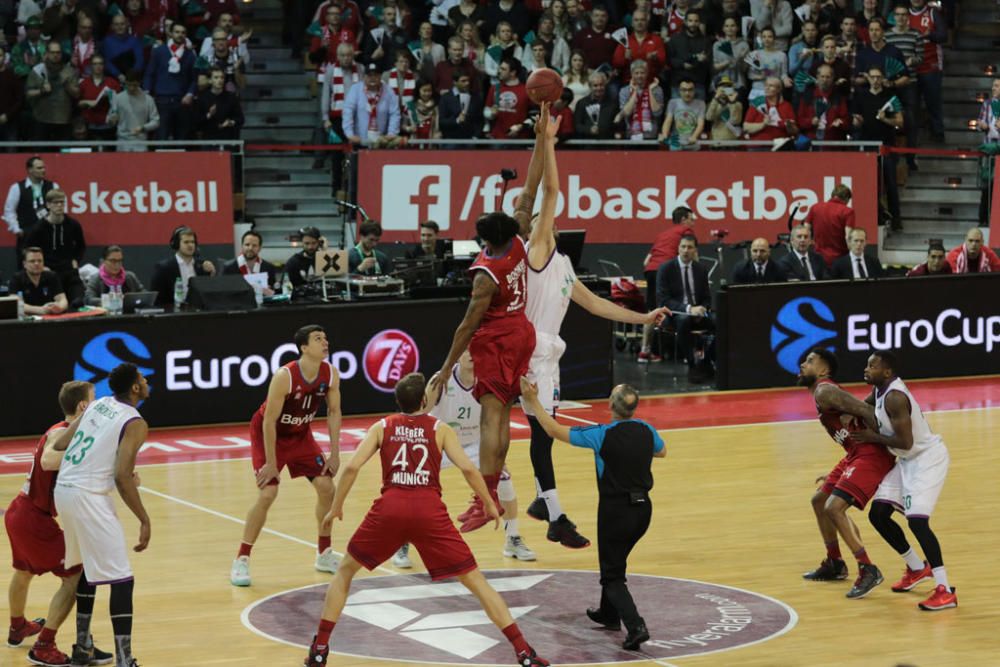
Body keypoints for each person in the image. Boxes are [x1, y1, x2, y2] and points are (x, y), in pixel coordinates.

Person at [303, 373, 549, 667]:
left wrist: (337, 507)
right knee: (476, 582)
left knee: (344, 572)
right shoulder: (440, 429)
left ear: (398, 402)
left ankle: (319, 649)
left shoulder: (382, 426)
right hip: (428, 510)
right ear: (424, 401)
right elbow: (470, 470)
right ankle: (523, 652)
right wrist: (488, 503)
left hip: (390, 508)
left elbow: (353, 466)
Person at [510, 108, 668, 550]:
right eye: (545, 219)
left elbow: (597, 305)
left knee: (544, 435)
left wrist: (643, 317)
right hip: (531, 351)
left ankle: (544, 501)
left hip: (548, 356)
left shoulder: (560, 263)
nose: (551, 221)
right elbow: (549, 190)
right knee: (543, 435)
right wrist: (549, 144)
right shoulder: (535, 250)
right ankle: (555, 515)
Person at [428, 109, 553, 529]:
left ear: (486, 239)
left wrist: (446, 369)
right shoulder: (518, 236)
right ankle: (491, 493)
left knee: (491, 421)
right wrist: (541, 139)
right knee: (499, 419)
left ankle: (485, 499)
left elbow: (466, 326)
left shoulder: (485, 276)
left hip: (497, 339)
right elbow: (531, 187)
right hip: (522, 333)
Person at [520, 377, 664, 651]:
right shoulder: (647, 430)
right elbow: (662, 451)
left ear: (611, 405)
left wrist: (532, 401)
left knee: (612, 576)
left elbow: (552, 430)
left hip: (615, 512)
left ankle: (636, 626)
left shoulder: (601, 435)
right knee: (615, 560)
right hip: (644, 511)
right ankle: (608, 614)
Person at [50, 363, 153, 667]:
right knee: (121, 579)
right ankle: (124, 660)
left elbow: (62, 442)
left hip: (64, 491)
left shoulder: (100, 404)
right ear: (135, 388)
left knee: (89, 569)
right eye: (143, 379)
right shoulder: (135, 422)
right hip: (87, 497)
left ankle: (83, 647)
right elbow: (122, 477)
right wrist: (144, 519)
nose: (146, 382)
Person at [4, 381, 114, 667]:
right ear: (82, 407)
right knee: (75, 579)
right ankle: (44, 645)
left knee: (23, 571)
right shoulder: (63, 432)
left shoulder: (62, 429)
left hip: (20, 511)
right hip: (33, 518)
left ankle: (18, 627)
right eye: (94, 400)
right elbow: (50, 461)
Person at [231, 325, 342, 587]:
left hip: (300, 435)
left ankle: (324, 553)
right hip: (270, 434)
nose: (325, 342)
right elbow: (269, 421)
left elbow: (334, 412)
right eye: (318, 339)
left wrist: (335, 453)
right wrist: (271, 463)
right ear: (304, 348)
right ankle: (242, 559)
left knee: (327, 487)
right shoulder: (285, 376)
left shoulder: (331, 373)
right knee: (268, 493)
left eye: (325, 338)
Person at [857, 352, 956, 611]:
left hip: (926, 459)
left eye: (872, 365)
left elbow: (906, 442)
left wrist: (872, 436)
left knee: (918, 522)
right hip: (907, 461)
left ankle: (945, 589)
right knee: (878, 514)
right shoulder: (879, 391)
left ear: (887, 372)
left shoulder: (895, 396)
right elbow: (859, 406)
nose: (866, 369)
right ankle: (916, 568)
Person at [797, 348, 895, 599]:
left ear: (823, 370)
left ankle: (868, 568)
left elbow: (866, 411)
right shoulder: (823, 393)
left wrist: (881, 441)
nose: (802, 364)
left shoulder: (824, 390)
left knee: (833, 507)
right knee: (819, 500)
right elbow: (860, 408)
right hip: (854, 453)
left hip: (870, 454)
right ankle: (835, 563)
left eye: (809, 361)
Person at [432, 351, 537, 561]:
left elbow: (496, 420)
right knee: (415, 483)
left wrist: (497, 454)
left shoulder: (489, 380)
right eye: (466, 350)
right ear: (457, 355)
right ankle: (404, 542)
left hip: (475, 444)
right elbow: (422, 409)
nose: (471, 354)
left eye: (475, 349)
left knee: (504, 479)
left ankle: (512, 538)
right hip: (442, 442)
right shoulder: (441, 379)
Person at [640, 206, 697, 363]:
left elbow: (646, 261)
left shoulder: (662, 235)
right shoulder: (686, 232)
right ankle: (688, 353)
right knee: (685, 305)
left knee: (652, 310)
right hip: (666, 271)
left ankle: (644, 352)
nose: (693, 223)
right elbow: (693, 258)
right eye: (692, 219)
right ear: (684, 219)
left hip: (651, 270)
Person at [656, 235, 714, 383]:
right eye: (683, 247)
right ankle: (692, 364)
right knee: (684, 320)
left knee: (720, 321)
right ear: (678, 248)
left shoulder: (701, 269)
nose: (686, 250)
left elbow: (707, 297)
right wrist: (689, 309)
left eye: (689, 247)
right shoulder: (666, 268)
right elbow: (664, 300)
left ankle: (706, 361)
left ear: (695, 250)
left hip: (698, 313)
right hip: (675, 314)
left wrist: (703, 309)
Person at [25, 189, 86, 309]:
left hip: (69, 270)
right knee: (54, 305)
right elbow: (28, 249)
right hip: (48, 271)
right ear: (48, 205)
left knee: (78, 302)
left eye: (62, 202)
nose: (59, 205)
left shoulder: (73, 224)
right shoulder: (38, 228)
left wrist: (76, 261)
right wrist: (41, 266)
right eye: (55, 203)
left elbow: (81, 245)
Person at [3, 156, 58, 272]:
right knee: (26, 271)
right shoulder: (17, 188)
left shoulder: (53, 186)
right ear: (30, 170)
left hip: (48, 236)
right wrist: (16, 229)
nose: (43, 170)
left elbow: (60, 208)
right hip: (26, 237)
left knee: (51, 271)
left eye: (43, 167)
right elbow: (9, 211)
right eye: (39, 168)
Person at [144, 22, 197, 140]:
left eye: (183, 33)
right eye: (177, 32)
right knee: (161, 137)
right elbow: (149, 74)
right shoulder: (159, 52)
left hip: (182, 102)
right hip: (162, 101)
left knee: (181, 138)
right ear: (171, 33)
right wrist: (147, 93)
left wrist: (190, 94)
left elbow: (194, 79)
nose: (180, 35)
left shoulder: (190, 55)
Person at [26, 41, 80, 141]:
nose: (55, 55)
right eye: (52, 52)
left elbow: (77, 94)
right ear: (46, 54)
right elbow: (28, 93)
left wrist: (66, 84)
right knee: (41, 154)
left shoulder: (69, 71)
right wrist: (42, 91)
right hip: (41, 119)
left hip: (63, 120)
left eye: (58, 52)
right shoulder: (38, 70)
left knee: (63, 155)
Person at [149, 226, 217, 306]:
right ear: (176, 244)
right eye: (186, 242)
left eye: (192, 242)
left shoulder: (202, 266)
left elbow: (211, 295)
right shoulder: (164, 268)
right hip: (174, 314)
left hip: (199, 312)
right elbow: (157, 300)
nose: (190, 245)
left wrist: (212, 274)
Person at [342, 62, 402, 147]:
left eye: (376, 75)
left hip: (381, 141)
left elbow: (395, 113)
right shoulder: (355, 89)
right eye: (369, 75)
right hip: (359, 140)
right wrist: (349, 134)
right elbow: (348, 112)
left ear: (380, 76)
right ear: (364, 77)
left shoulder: (389, 91)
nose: (372, 78)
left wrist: (392, 133)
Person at [107, 70, 161, 151]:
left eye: (134, 85)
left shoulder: (148, 99)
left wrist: (143, 128)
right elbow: (109, 120)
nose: (131, 88)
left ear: (140, 83)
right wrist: (111, 120)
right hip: (122, 141)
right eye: (128, 85)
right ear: (125, 83)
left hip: (141, 142)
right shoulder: (118, 98)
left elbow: (156, 121)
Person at [804, 183, 854, 267]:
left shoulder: (815, 207)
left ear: (833, 195)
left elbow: (805, 230)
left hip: (818, 257)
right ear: (846, 199)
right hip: (840, 258)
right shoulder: (848, 211)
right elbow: (848, 236)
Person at [10, 247, 68, 316]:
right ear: (24, 264)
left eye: (40, 261)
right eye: (32, 261)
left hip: (49, 319)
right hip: (27, 321)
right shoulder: (17, 279)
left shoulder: (52, 276)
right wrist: (40, 310)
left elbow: (62, 299)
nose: (37, 264)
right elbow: (15, 304)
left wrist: (59, 308)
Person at [742, 76, 797, 143]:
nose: (767, 88)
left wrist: (788, 126)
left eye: (771, 86)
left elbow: (795, 131)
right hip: (759, 145)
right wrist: (763, 124)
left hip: (780, 146)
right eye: (766, 85)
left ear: (779, 89)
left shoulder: (787, 106)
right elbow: (746, 127)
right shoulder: (756, 103)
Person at [222, 230, 278, 295]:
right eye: (247, 244)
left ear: (259, 248)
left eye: (254, 245)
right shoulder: (229, 267)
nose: (250, 248)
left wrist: (271, 293)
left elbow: (274, 293)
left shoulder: (269, 268)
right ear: (242, 246)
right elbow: (223, 294)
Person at [195, 67, 244, 140]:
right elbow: (196, 122)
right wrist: (209, 115)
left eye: (222, 77)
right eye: (216, 77)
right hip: (209, 139)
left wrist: (230, 122)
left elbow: (241, 119)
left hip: (228, 138)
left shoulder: (231, 97)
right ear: (210, 80)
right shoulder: (202, 98)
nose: (220, 80)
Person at [573, 72, 617, 140]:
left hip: (608, 144)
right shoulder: (582, 103)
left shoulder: (613, 103)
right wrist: (589, 130)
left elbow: (617, 125)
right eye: (595, 85)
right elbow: (577, 126)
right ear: (590, 86)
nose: (599, 88)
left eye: (601, 85)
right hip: (588, 144)